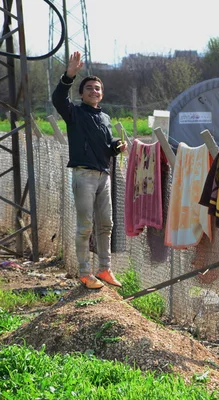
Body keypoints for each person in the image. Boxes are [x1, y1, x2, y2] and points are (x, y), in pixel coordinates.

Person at [52, 51, 127, 289]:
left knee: (106, 225)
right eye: (89, 89)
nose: (94, 91)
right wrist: (69, 75)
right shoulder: (74, 113)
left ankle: (104, 269)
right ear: (82, 94)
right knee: (86, 226)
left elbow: (106, 145)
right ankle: (85, 273)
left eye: (98, 89)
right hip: (83, 175)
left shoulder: (104, 117)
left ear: (101, 94)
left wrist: (115, 146)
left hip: (103, 176)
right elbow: (58, 98)